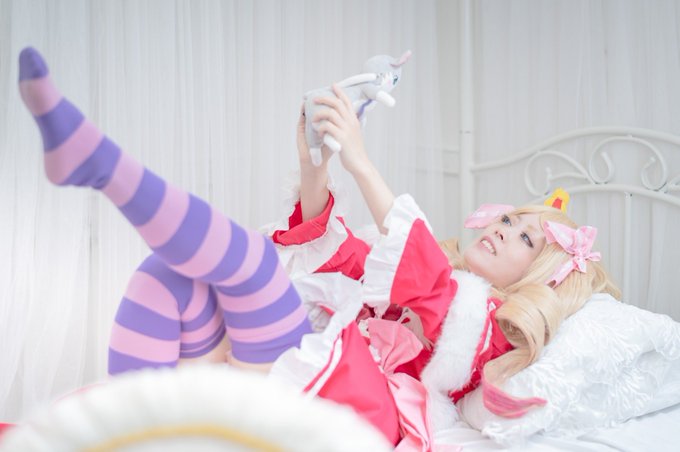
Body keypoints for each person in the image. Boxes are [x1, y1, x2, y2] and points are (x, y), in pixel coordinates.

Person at [18, 47, 620, 449]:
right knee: (167, 274)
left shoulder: (490, 329)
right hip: (310, 355)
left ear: (538, 274)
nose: (504, 228)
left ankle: (103, 165)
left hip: (356, 401)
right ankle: (130, 431)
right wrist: (318, 164)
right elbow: (341, 257)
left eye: (525, 237)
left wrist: (362, 162)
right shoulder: (423, 270)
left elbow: (435, 289)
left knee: (253, 268)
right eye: (509, 216)